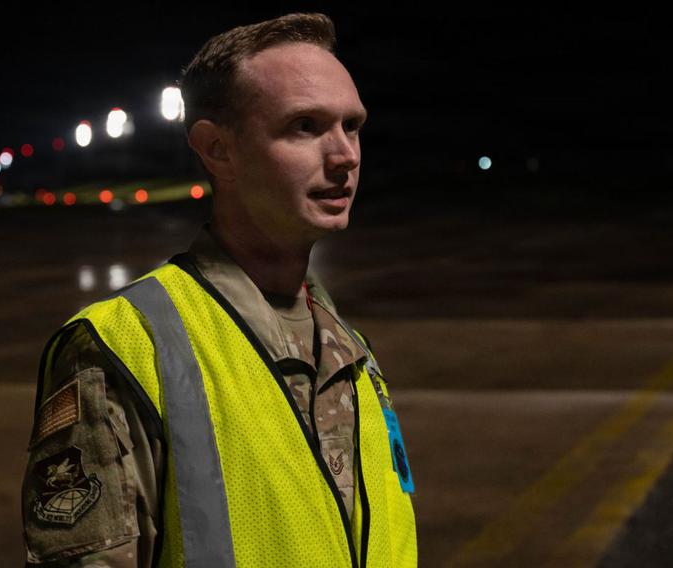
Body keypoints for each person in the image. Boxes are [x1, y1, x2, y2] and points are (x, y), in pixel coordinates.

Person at [21, 12, 418, 567]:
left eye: (351, 126)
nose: (345, 154)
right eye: (305, 126)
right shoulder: (126, 345)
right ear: (216, 149)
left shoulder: (350, 352)